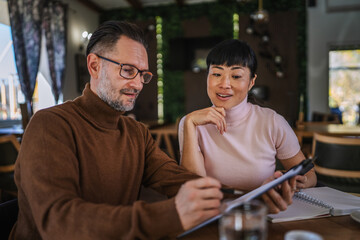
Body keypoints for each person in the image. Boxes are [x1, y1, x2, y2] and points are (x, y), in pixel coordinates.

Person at [11, 22, 294, 240]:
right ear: (95, 65)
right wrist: (169, 214)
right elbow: (58, 223)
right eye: (127, 70)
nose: (138, 84)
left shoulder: (135, 133)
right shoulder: (51, 125)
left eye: (143, 74)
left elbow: (179, 181)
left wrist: (251, 201)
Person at [178, 39, 316, 193]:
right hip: (215, 211)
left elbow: (309, 174)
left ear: (251, 82)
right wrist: (190, 123)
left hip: (264, 212)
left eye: (236, 76)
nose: (225, 84)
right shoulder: (191, 124)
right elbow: (194, 188)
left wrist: (303, 181)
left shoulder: (272, 122)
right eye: (216, 74)